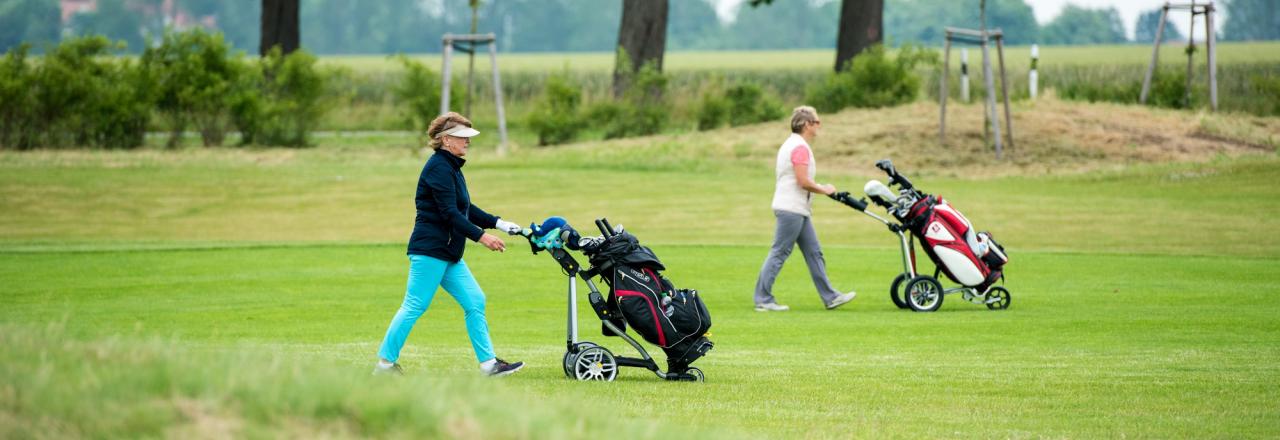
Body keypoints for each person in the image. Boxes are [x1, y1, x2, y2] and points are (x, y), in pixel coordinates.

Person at [374, 112, 526, 376]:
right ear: (446, 140)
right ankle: (384, 365)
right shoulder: (438, 168)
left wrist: (499, 223)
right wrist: (482, 236)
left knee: (475, 300)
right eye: (462, 137)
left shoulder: (452, 167)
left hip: (448, 253)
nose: (467, 142)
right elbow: (450, 213)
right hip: (430, 250)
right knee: (414, 306)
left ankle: (489, 364)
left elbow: (465, 207)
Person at [753, 106, 857, 312]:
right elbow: (803, 181)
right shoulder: (799, 147)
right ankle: (763, 299)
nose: (819, 125)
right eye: (816, 122)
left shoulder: (794, 144)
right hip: (791, 208)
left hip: (798, 209)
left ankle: (830, 297)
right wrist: (824, 189)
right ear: (806, 124)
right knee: (779, 251)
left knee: (814, 252)